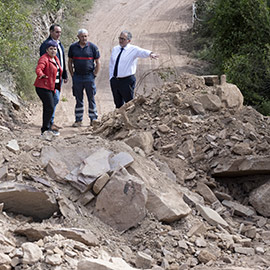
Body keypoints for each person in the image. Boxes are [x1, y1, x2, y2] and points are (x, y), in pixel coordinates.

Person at [109, 30, 159, 109]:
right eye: (120, 38)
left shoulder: (133, 49)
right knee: (118, 104)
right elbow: (112, 64)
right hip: (115, 80)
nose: (121, 41)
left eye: (123, 39)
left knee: (129, 103)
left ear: (129, 41)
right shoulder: (115, 49)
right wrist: (111, 77)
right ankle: (119, 119)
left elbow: (142, 52)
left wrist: (150, 54)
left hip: (126, 80)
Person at [68, 29, 100, 127]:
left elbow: (98, 62)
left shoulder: (93, 47)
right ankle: (78, 120)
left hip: (89, 76)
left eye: (85, 36)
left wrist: (94, 74)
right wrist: (72, 74)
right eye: (82, 36)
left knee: (91, 98)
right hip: (77, 76)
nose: (84, 38)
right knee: (78, 99)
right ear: (78, 37)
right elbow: (69, 61)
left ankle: (93, 119)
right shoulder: (73, 47)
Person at [40, 24, 68, 131]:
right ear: (51, 32)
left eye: (60, 32)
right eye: (56, 32)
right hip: (50, 79)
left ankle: (50, 121)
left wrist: (64, 74)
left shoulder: (59, 44)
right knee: (51, 101)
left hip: (58, 77)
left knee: (54, 100)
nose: (58, 34)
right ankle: (48, 123)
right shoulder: (46, 45)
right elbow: (43, 61)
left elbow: (61, 61)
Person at [34, 40, 63, 136]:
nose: (53, 51)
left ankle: (47, 128)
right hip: (43, 87)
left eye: (55, 49)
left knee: (48, 108)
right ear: (47, 50)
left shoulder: (56, 59)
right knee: (50, 107)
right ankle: (45, 129)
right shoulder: (44, 58)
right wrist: (41, 74)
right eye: (51, 49)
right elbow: (39, 68)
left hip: (52, 87)